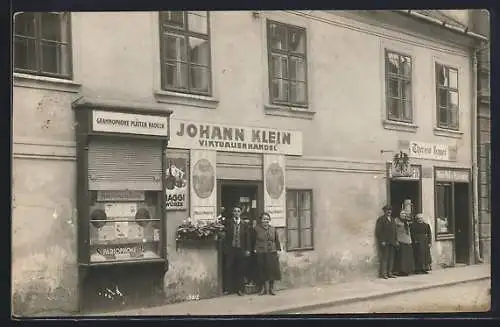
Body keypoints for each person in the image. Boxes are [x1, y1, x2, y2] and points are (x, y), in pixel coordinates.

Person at [222, 205, 252, 296]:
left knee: (240, 269)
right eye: (235, 211)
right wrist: (225, 248)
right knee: (228, 268)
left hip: (241, 249)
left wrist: (247, 249)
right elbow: (224, 236)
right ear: (232, 212)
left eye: (238, 211)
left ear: (240, 213)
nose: (236, 213)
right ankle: (228, 289)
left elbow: (248, 238)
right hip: (231, 249)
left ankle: (240, 289)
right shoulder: (228, 223)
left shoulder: (244, 224)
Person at [253, 212, 282, 295]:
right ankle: (263, 288)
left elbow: (277, 240)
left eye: (267, 219)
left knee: (272, 270)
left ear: (269, 220)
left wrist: (278, 250)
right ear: (261, 220)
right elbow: (253, 240)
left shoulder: (273, 229)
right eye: (264, 219)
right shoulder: (256, 229)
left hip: (272, 251)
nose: (265, 221)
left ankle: (271, 288)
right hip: (261, 251)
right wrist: (255, 249)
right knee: (262, 270)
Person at [375, 205, 398, 279]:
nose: (389, 211)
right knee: (385, 258)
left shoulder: (392, 219)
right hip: (385, 242)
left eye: (390, 210)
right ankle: (383, 273)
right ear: (384, 211)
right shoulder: (381, 219)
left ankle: (390, 273)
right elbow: (378, 231)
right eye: (387, 210)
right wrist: (382, 241)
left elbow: (395, 231)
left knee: (391, 258)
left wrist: (396, 240)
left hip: (392, 242)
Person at [394, 210, 415, 276]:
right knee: (401, 257)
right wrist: (396, 240)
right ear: (399, 214)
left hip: (408, 241)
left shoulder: (406, 222)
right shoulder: (396, 220)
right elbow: (394, 231)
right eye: (402, 213)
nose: (403, 215)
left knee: (407, 258)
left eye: (404, 214)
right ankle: (400, 271)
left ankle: (407, 271)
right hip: (401, 240)